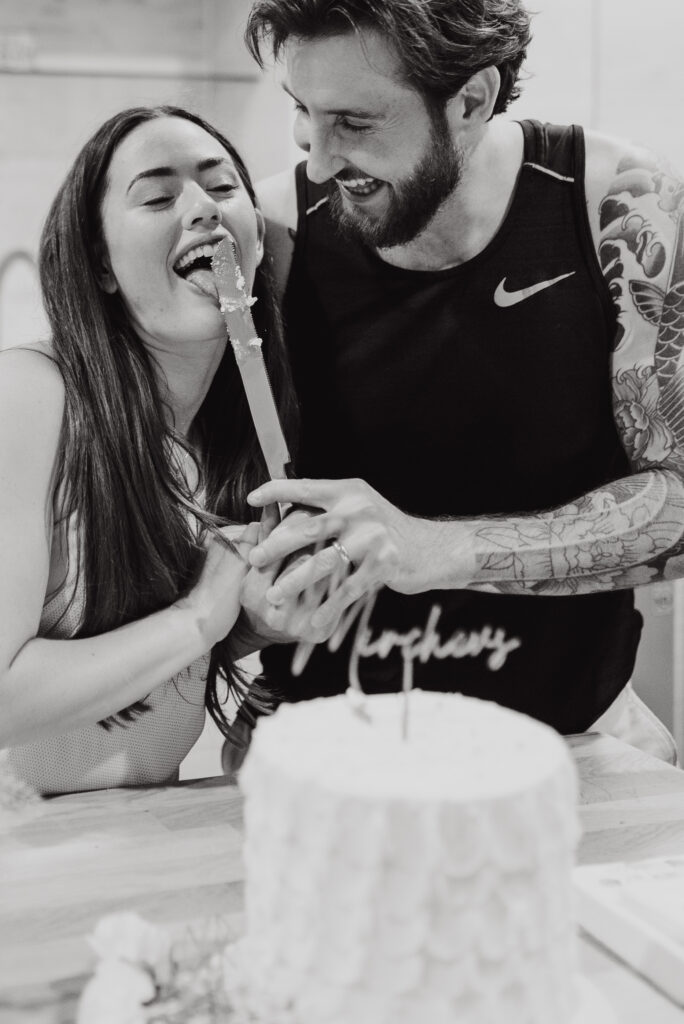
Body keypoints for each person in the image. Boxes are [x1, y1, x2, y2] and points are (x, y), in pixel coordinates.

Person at [237, 0, 684, 761]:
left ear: (472, 100)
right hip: (322, 748)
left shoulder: (620, 207)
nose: (318, 159)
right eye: (302, 114)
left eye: (355, 121)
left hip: (572, 743)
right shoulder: (277, 231)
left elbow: (678, 492)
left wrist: (437, 550)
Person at [0, 104, 302, 794]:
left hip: (142, 846)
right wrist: (200, 615)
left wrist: (254, 623)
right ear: (102, 265)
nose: (203, 209)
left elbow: (145, 683)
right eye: (159, 196)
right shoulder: (29, 396)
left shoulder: (231, 436)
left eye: (223, 188)